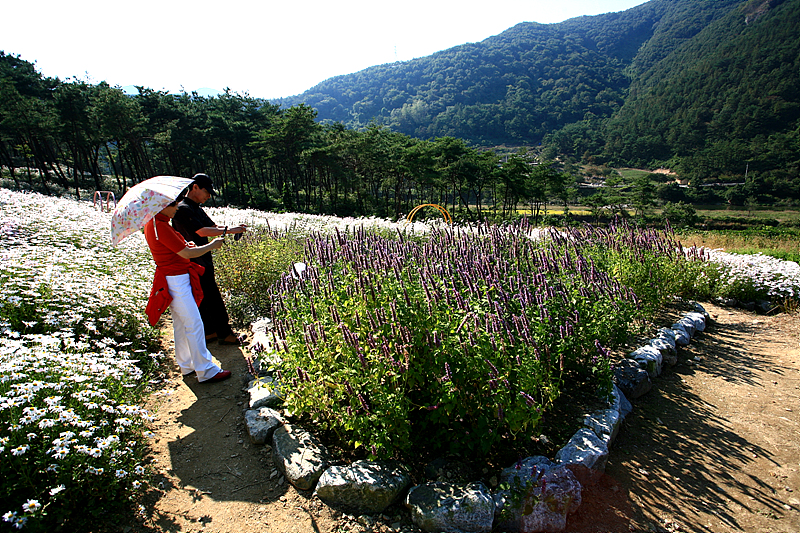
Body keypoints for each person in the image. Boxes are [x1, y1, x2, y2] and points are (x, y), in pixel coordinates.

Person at [144, 193, 231, 383]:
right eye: (174, 204)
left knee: (181, 324)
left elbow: (177, 249)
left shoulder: (154, 224)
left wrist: (187, 246)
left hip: (171, 278)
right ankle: (206, 370)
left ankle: (187, 364)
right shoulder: (160, 227)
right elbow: (186, 253)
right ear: (163, 206)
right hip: (176, 280)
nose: (177, 207)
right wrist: (211, 246)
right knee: (194, 323)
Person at [172, 173, 247, 346]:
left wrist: (233, 229)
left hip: (202, 257)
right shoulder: (183, 209)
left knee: (205, 297)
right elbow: (201, 231)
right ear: (195, 187)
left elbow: (212, 227)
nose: (208, 196)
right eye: (206, 191)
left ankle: (210, 331)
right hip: (194, 260)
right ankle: (224, 333)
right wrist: (229, 231)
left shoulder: (195, 207)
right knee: (211, 297)